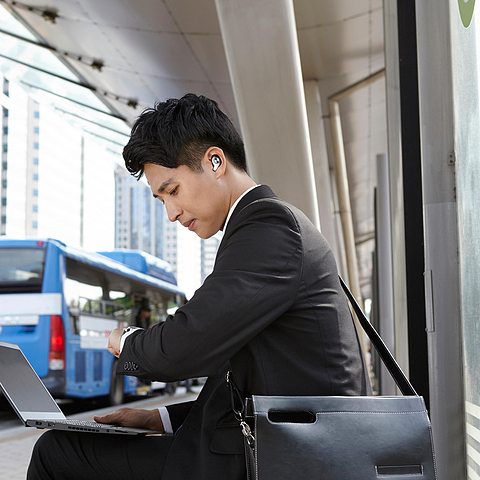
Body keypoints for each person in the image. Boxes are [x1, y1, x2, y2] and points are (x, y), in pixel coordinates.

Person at [27, 94, 371, 480]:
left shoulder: (270, 229)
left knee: (57, 451)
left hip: (289, 459)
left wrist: (128, 341)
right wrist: (158, 417)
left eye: (172, 191)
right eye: (161, 200)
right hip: (281, 446)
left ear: (214, 161)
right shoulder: (263, 228)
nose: (171, 214)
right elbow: (241, 384)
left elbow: (182, 347)